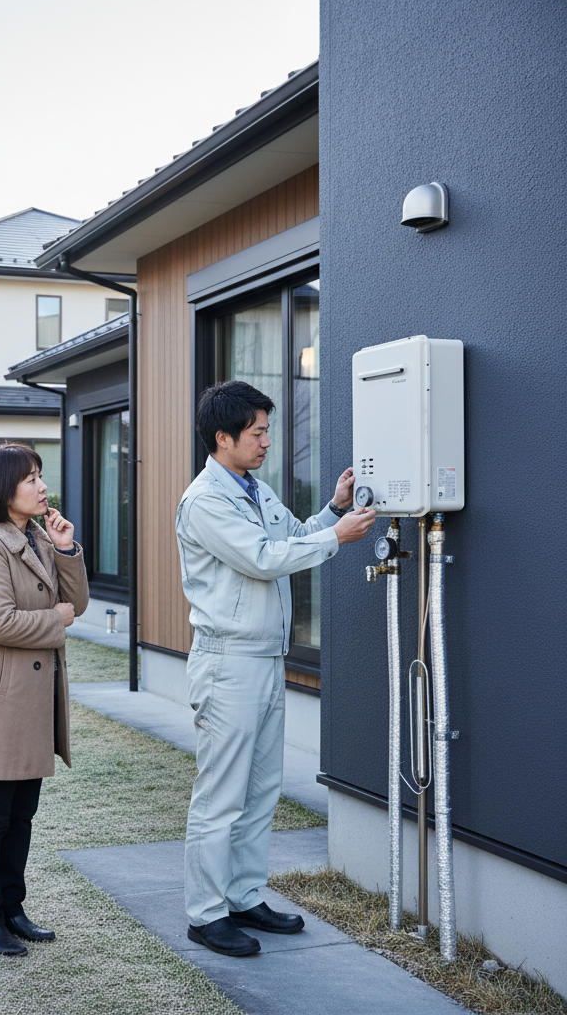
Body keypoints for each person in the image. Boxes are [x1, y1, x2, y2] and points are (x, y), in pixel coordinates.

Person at [175, 381, 376, 957]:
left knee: (261, 790)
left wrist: (333, 511)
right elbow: (264, 560)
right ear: (223, 438)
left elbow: (291, 536)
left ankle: (244, 896)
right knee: (221, 796)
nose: (267, 441)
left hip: (263, 660)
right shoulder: (206, 500)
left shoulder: (252, 489)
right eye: (257, 432)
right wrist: (338, 537)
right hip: (227, 663)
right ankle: (206, 913)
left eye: (267, 430)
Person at [0, 444, 89, 956]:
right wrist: (58, 620)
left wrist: (66, 549)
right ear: (2, 489)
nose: (41, 486)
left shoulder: (35, 536)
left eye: (39, 476)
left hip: (29, 702)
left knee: (21, 813)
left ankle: (13, 909)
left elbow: (76, 602)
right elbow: (0, 622)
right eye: (30, 479)